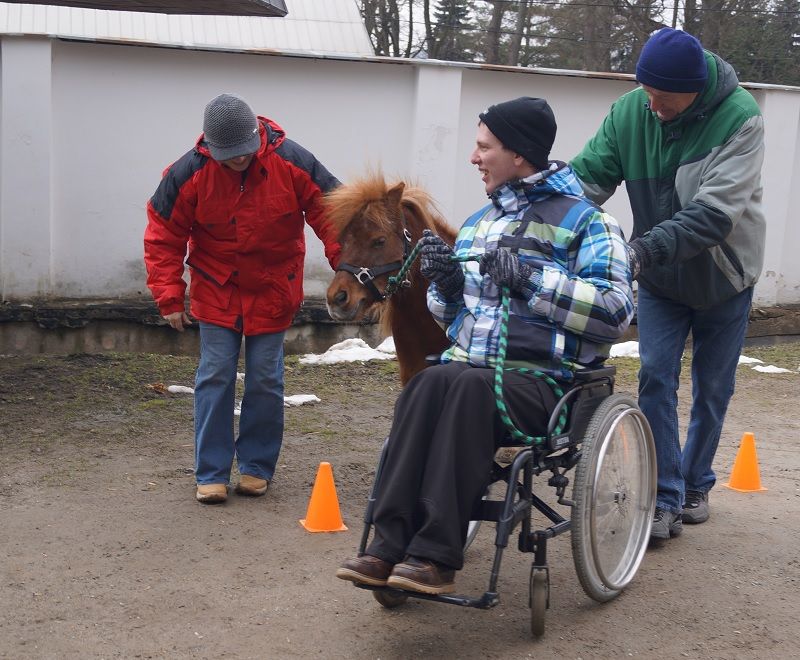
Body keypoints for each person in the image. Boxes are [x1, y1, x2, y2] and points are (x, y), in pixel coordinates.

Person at [336, 97, 634, 594]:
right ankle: (387, 545)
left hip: (548, 383)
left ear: (518, 154)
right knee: (425, 386)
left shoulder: (590, 224)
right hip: (473, 368)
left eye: (483, 147)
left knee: (469, 390)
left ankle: (436, 554)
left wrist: (533, 282)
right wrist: (448, 289)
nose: (474, 158)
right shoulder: (480, 223)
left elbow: (615, 312)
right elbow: (456, 321)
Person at [571, 28, 766, 541]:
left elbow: (712, 215)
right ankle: (664, 495)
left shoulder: (741, 119)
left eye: (664, 99)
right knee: (656, 376)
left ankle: (697, 482)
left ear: (695, 91)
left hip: (724, 275)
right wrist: (546, 223)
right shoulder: (632, 110)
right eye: (647, 93)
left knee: (712, 389)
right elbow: (586, 180)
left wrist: (640, 250)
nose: (651, 106)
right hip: (659, 278)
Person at [144, 93, 341, 504]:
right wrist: (168, 295)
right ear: (211, 148)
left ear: (258, 138)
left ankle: (255, 467)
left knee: (266, 379)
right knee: (215, 375)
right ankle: (211, 473)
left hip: (273, 286)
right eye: (229, 155)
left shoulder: (293, 161)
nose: (239, 160)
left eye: (245, 152)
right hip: (217, 288)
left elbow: (332, 214)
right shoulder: (188, 172)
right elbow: (164, 234)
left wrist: (348, 269)